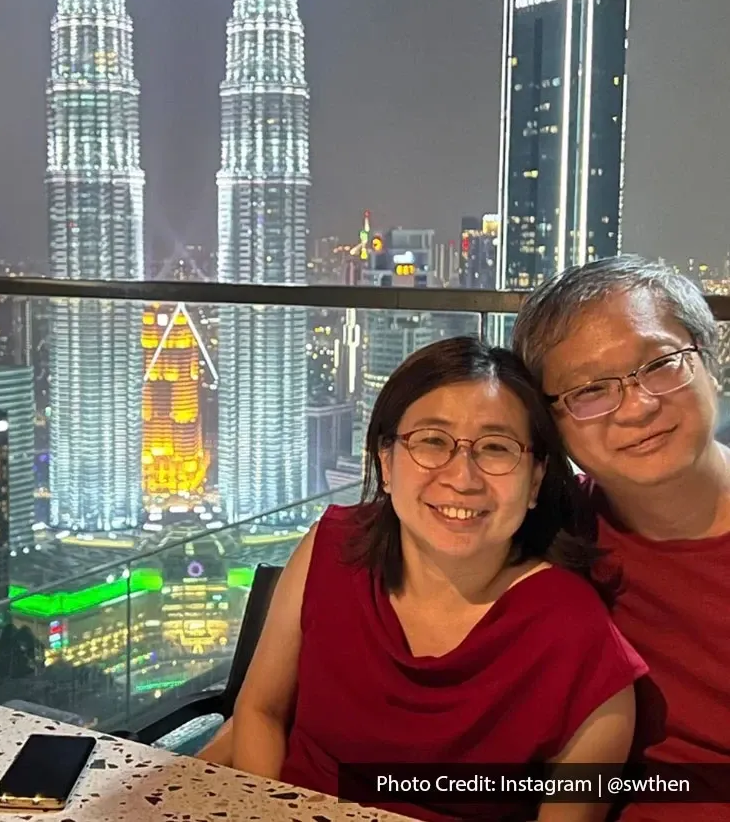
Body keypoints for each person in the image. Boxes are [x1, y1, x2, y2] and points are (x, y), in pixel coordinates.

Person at [203, 338, 646, 822]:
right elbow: (260, 711)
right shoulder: (331, 549)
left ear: (535, 480)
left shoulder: (577, 639)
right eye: (432, 442)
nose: (463, 478)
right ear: (386, 462)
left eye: (496, 449)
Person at [511, 255, 730, 822]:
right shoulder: (548, 533)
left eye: (660, 364)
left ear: (710, 363)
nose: (638, 407)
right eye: (589, 390)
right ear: (552, 425)